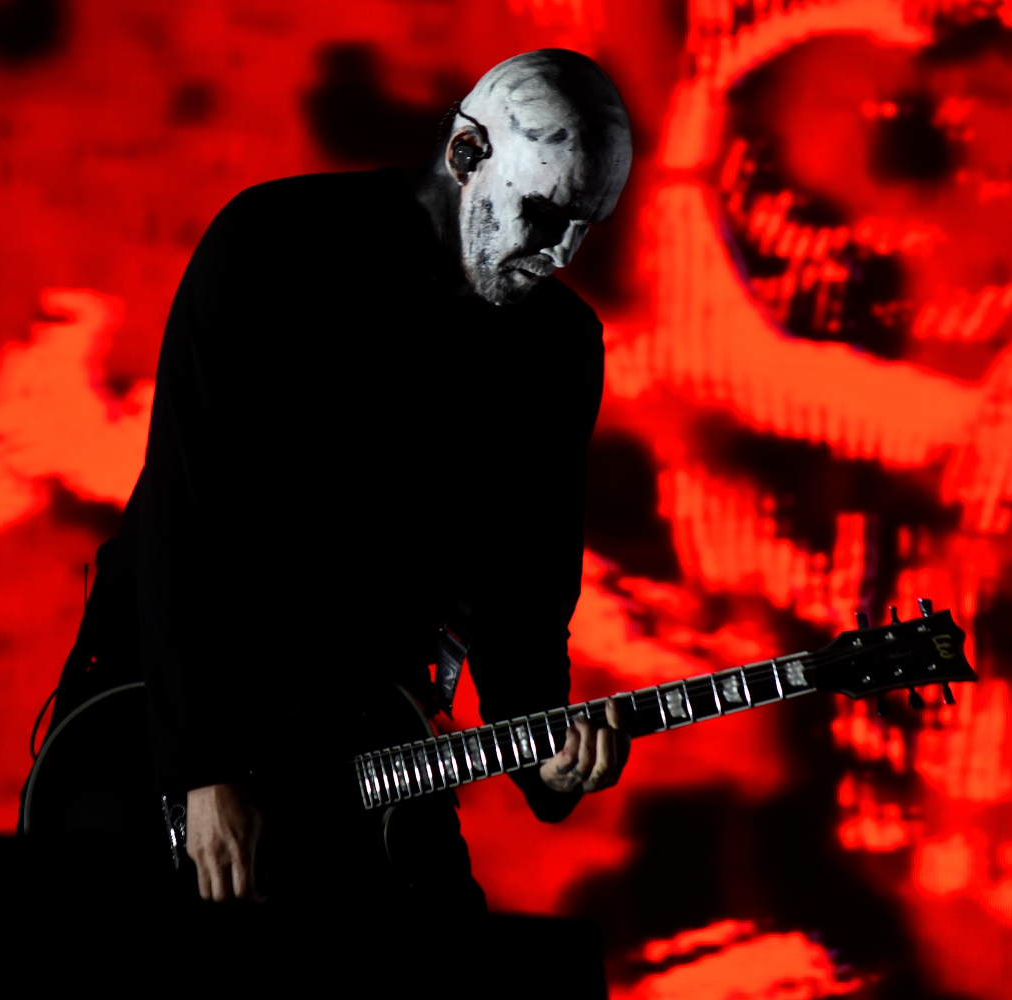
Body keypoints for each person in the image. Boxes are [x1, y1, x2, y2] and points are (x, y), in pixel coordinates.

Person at [37, 49, 636, 927]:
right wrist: (201, 770)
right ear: (467, 155)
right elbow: (187, 515)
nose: (561, 253)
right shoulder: (275, 244)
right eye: (545, 214)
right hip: (167, 738)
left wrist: (546, 749)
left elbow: (525, 591)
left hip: (369, 743)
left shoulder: (558, 348)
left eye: (588, 226)